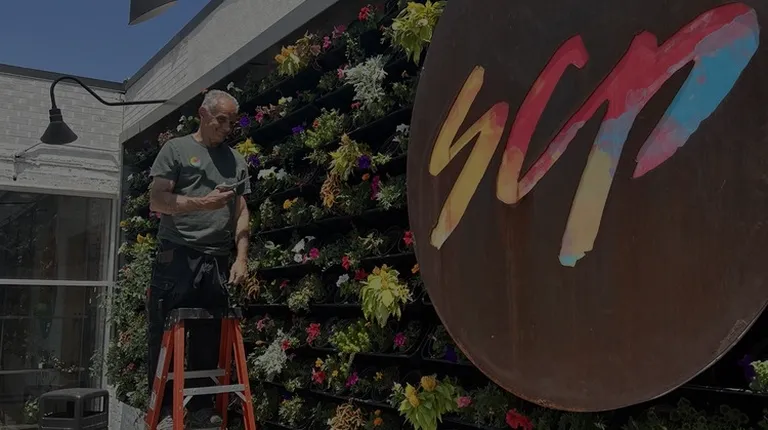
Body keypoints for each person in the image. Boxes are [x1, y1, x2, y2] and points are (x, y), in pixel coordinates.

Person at [147, 89, 251, 429]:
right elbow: (158, 201)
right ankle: (164, 408)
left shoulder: (236, 161)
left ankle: (201, 408)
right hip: (177, 255)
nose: (227, 128)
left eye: (232, 122)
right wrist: (203, 203)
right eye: (222, 120)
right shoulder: (176, 149)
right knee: (164, 332)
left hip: (216, 259)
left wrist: (241, 258)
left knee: (208, 335)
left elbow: (241, 210)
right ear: (203, 114)